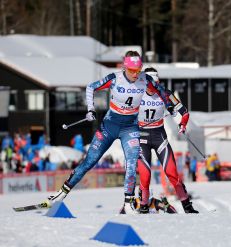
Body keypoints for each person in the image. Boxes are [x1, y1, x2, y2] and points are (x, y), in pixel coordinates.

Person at [44, 51, 171, 214]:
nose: (135, 74)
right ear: (125, 67)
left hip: (130, 127)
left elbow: (162, 92)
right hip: (109, 125)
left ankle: (128, 202)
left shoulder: (145, 80)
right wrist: (90, 109)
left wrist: (173, 107)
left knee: (131, 163)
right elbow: (91, 87)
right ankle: (61, 194)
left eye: (138, 70)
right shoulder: (115, 78)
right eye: (132, 70)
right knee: (89, 161)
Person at [135, 67, 198, 214]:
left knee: (172, 174)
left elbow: (185, 112)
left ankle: (187, 206)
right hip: (141, 137)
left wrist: (183, 124)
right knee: (145, 176)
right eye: (150, 85)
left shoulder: (165, 93)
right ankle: (144, 206)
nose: (153, 89)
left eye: (156, 84)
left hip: (159, 136)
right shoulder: (137, 93)